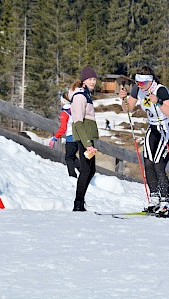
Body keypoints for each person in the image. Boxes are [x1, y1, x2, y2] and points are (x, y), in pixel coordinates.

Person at [119, 66, 169, 216]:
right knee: (148, 163)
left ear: (150, 81)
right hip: (153, 128)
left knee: (159, 165)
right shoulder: (137, 90)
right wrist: (123, 99)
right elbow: (128, 109)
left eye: (142, 82)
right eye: (137, 82)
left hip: (167, 128)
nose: (139, 85)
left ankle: (165, 202)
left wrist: (158, 101)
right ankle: (154, 199)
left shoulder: (160, 90)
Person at [68, 66, 99, 212]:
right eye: (90, 79)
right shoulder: (80, 96)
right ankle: (78, 203)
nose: (93, 82)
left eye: (94, 79)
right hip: (83, 137)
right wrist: (87, 144)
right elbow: (78, 122)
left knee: (90, 170)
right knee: (86, 170)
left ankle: (80, 202)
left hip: (88, 137)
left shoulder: (86, 94)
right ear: (84, 81)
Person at [49, 88, 80, 178]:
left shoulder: (64, 113)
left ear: (63, 101)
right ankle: (82, 172)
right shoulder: (75, 109)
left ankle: (72, 176)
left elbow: (63, 128)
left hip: (71, 138)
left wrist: (55, 138)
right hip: (79, 137)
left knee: (68, 158)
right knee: (72, 156)